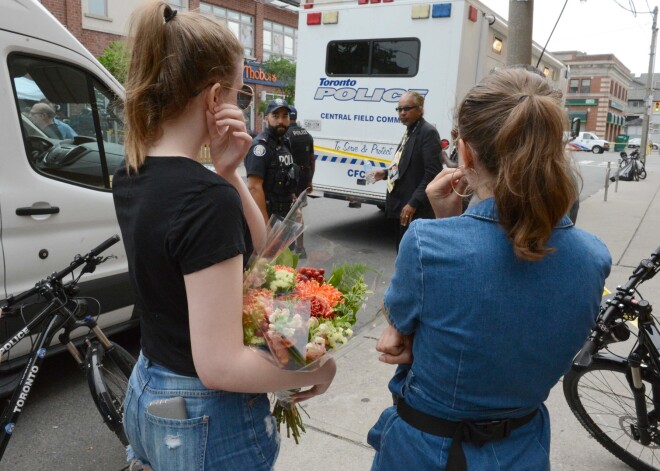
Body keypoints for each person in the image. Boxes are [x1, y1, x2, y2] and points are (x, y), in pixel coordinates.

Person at [112, 3, 336, 470]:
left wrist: (229, 174)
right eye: (240, 94)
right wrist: (313, 365)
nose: (241, 105)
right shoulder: (202, 196)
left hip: (150, 387)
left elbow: (266, 260)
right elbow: (220, 365)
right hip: (203, 415)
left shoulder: (132, 173)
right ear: (215, 98)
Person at [368, 66, 611, 471]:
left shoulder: (427, 244)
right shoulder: (594, 256)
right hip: (523, 448)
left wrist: (447, 223)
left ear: (465, 153)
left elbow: (397, 338)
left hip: (427, 451)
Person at [371, 91, 442, 249]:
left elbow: (432, 173)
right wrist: (385, 173)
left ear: (420, 109)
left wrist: (413, 203)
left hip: (415, 209)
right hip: (401, 205)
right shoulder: (410, 131)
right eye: (399, 109)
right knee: (401, 251)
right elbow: (403, 165)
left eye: (407, 108)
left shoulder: (427, 132)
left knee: (412, 254)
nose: (402, 113)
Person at [245, 99, 299, 224]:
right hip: (269, 217)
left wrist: (295, 208)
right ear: (266, 118)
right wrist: (265, 225)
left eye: (285, 116)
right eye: (275, 116)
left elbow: (288, 177)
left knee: (290, 245)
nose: (280, 121)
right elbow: (254, 187)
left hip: (286, 216)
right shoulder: (260, 147)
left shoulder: (285, 142)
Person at [285, 106, 315, 258]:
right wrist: (310, 180)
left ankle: (294, 245)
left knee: (291, 212)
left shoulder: (286, 135)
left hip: (292, 177)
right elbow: (311, 160)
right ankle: (300, 247)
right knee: (298, 210)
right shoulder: (307, 135)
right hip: (304, 175)